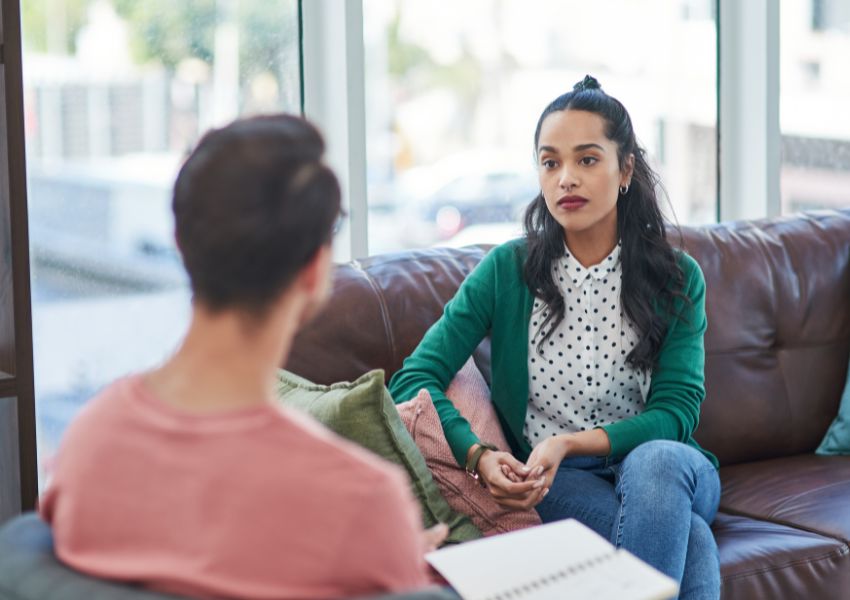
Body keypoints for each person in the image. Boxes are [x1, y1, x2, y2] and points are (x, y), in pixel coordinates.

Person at [40, 115, 445, 599]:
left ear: (181, 245)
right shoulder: (360, 500)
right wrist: (392, 552)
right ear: (316, 273)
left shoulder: (86, 443)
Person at [389, 76, 721, 599]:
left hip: (670, 470)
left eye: (587, 160)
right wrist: (476, 455)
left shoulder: (678, 277)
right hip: (559, 482)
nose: (566, 178)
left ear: (626, 168)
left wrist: (566, 442)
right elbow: (414, 377)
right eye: (550, 162)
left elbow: (677, 412)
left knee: (656, 462)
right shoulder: (507, 270)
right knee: (694, 541)